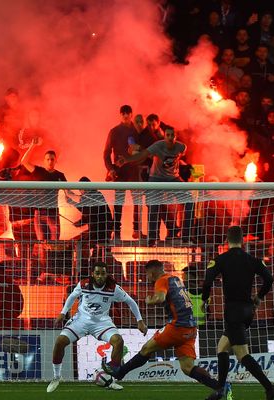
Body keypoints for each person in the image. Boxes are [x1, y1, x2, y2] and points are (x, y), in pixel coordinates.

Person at [102, 260, 220, 396]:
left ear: (152, 273)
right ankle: (220, 386)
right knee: (187, 368)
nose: (147, 278)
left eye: (147, 274)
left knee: (147, 348)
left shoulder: (161, 280)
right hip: (191, 329)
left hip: (177, 327)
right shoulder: (175, 279)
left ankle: (120, 372)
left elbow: (160, 298)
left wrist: (148, 300)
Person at [201, 226, 274, 400]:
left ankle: (269, 387)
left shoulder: (221, 259)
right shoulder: (253, 260)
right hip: (247, 310)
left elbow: (207, 282)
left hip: (233, 311)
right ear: (243, 240)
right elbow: (270, 279)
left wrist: (205, 299)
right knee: (222, 347)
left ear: (226, 241)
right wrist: (259, 297)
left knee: (242, 354)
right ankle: (220, 389)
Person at [47, 261, 146, 392]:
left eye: (103, 273)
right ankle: (56, 377)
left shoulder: (113, 288)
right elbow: (72, 296)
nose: (100, 276)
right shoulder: (84, 284)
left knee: (118, 341)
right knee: (60, 342)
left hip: (102, 322)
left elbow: (130, 301)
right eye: (97, 273)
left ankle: (111, 378)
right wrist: (62, 313)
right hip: (80, 320)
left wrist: (140, 320)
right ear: (93, 274)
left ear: (107, 275)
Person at [118, 127, 194, 244]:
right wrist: (127, 160)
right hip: (156, 178)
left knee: (189, 199)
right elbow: (142, 154)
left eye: (172, 135)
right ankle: (153, 237)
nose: (170, 138)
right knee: (154, 204)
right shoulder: (158, 146)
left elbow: (180, 157)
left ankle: (186, 235)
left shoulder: (181, 147)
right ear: (165, 136)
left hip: (173, 178)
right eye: (167, 135)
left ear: (175, 136)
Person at [103, 104, 140, 240]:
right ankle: (116, 231)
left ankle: (137, 229)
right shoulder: (114, 131)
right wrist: (110, 169)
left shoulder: (137, 131)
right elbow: (106, 153)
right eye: (123, 113)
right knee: (119, 201)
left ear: (131, 114)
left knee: (138, 201)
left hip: (134, 171)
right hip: (120, 172)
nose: (125, 115)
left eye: (128, 113)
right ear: (120, 115)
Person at [20, 138, 66, 241]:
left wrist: (80, 200)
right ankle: (44, 257)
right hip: (39, 212)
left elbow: (68, 192)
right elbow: (24, 161)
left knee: (54, 241)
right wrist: (32, 146)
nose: (50, 161)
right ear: (44, 161)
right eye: (48, 159)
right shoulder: (38, 171)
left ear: (55, 161)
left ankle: (53, 257)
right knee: (41, 241)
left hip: (53, 212)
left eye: (52, 159)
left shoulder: (60, 175)